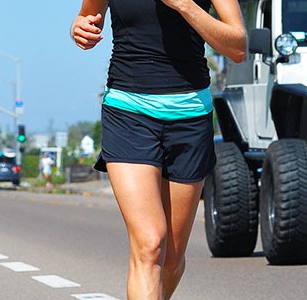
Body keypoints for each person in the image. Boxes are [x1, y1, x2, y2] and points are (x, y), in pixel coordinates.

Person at [72, 0, 245, 299]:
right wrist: (81, 30)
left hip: (190, 117)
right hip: (128, 112)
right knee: (150, 244)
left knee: (172, 259)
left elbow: (238, 47)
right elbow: (87, 18)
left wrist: (185, 6)